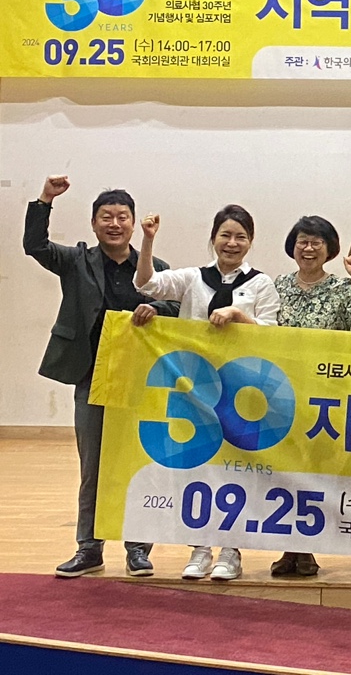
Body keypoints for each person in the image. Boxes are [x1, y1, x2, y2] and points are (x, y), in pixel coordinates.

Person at [24, 175, 179, 579]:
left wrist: (157, 309)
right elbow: (35, 246)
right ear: (93, 224)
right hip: (91, 376)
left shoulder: (154, 267)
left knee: (137, 464)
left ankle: (138, 548)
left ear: (133, 223)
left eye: (122, 217)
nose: (114, 224)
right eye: (106, 217)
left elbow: (177, 307)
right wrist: (45, 199)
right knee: (92, 467)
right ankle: (89, 548)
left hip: (142, 381)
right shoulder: (77, 261)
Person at [134, 204, 282, 582]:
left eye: (240, 237)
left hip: (242, 391)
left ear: (251, 241)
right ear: (213, 238)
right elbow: (147, 284)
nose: (232, 243)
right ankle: (199, 548)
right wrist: (148, 241)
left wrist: (237, 315)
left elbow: (272, 334)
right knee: (197, 467)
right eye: (225, 235)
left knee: (236, 468)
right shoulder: (193, 278)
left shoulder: (261, 284)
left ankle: (231, 551)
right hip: (195, 388)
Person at [271, 215, 351, 578]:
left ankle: (306, 546)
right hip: (282, 394)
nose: (309, 248)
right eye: (303, 241)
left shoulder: (341, 288)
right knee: (286, 471)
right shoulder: (278, 285)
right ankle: (292, 547)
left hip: (325, 398)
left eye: (317, 242)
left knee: (314, 472)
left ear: (329, 249)